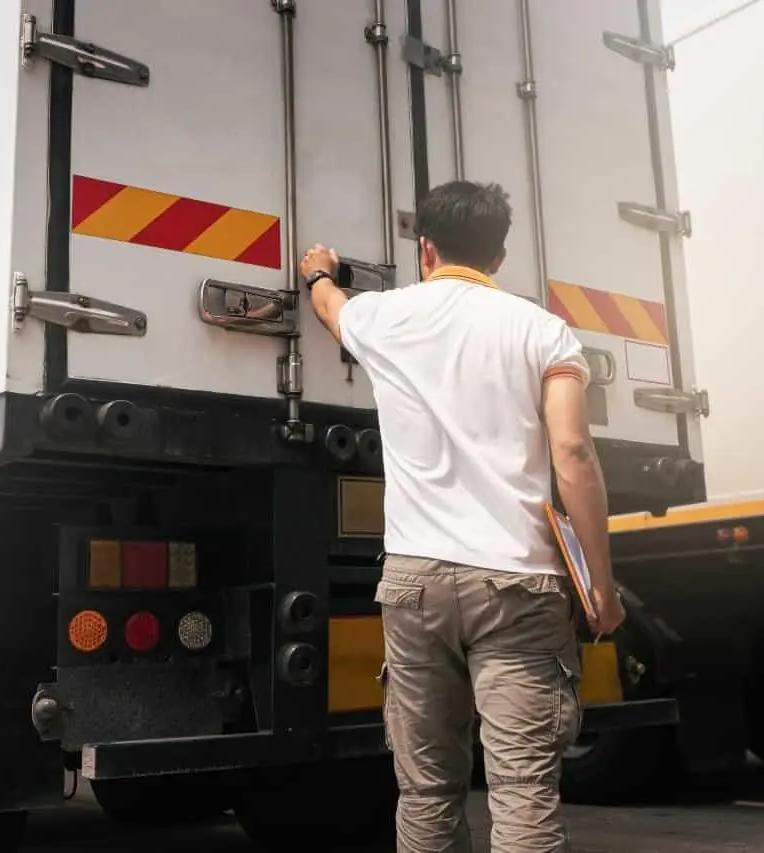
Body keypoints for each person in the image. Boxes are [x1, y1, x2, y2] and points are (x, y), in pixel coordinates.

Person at [298, 180, 626, 852]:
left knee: (426, 791)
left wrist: (319, 273)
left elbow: (333, 310)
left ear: (425, 249)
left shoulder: (387, 318)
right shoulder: (544, 331)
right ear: (500, 255)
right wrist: (601, 584)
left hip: (415, 584)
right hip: (517, 585)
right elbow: (573, 453)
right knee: (523, 790)